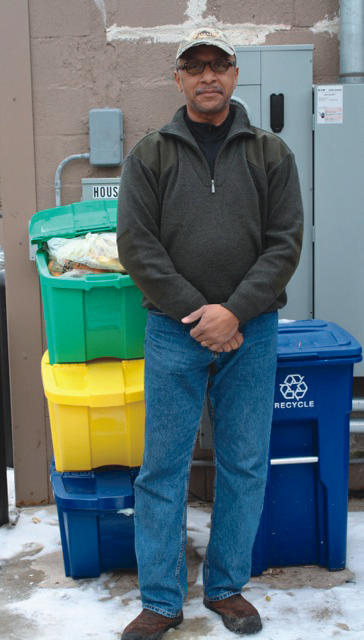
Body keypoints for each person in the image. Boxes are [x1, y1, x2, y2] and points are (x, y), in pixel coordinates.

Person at [116, 27, 304, 639]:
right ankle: (162, 599)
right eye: (194, 67)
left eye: (218, 65)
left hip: (253, 330)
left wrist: (236, 313)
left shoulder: (270, 152)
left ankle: (225, 587)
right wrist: (200, 313)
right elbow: (136, 246)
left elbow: (284, 244)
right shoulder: (151, 154)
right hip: (174, 331)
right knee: (162, 468)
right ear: (178, 79)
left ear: (234, 74)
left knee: (244, 462)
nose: (207, 77)